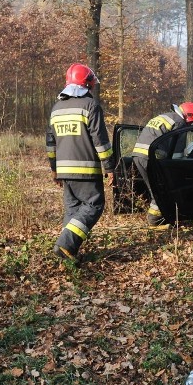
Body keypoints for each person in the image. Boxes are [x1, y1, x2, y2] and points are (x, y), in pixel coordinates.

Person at [46, 63, 114, 265]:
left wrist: (54, 169)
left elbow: (51, 143)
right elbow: (100, 141)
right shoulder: (90, 106)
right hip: (86, 169)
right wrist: (109, 168)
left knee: (73, 210)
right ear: (87, 85)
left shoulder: (57, 108)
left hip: (65, 171)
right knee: (94, 204)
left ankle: (68, 253)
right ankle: (66, 245)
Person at [131, 102, 193, 227]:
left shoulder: (167, 116)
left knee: (155, 189)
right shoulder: (179, 123)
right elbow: (177, 154)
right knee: (162, 189)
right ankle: (155, 220)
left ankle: (158, 218)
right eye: (192, 123)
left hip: (138, 154)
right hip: (150, 157)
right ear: (188, 116)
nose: (190, 126)